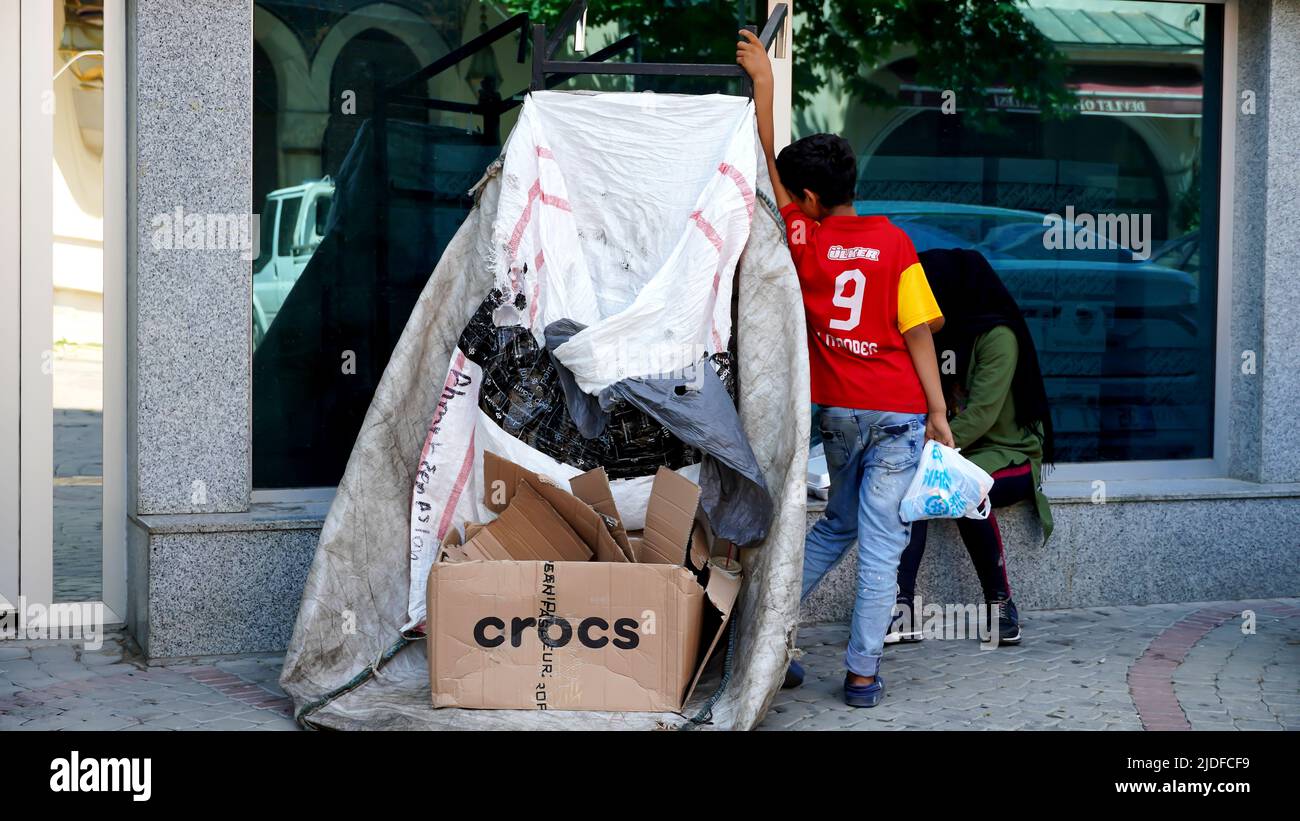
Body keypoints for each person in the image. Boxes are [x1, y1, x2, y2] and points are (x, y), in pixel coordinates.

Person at [737, 31, 953, 708]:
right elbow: (919, 334)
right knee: (882, 539)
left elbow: (766, 169)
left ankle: (762, 634)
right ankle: (861, 674)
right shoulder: (893, 241)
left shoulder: (803, 235)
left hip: (838, 413)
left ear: (808, 196)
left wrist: (765, 86)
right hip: (897, 413)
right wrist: (939, 413)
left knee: (836, 525)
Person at [888, 248, 1055, 646]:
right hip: (956, 448)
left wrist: (927, 448)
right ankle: (901, 610)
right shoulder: (941, 332)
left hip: (1009, 453)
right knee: (916, 490)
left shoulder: (998, 337)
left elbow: (980, 414)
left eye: (931, 290)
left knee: (966, 491)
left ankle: (1001, 606)